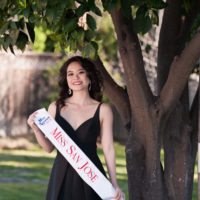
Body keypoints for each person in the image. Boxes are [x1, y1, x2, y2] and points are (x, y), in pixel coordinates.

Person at [27, 56, 125, 200]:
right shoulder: (56, 107)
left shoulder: (103, 110)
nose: (76, 77)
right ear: (66, 79)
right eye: (70, 74)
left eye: (81, 72)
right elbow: (49, 148)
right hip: (61, 176)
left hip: (92, 176)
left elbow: (109, 148)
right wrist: (36, 129)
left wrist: (114, 183)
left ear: (90, 76)